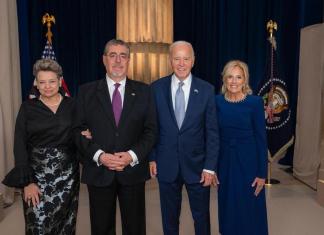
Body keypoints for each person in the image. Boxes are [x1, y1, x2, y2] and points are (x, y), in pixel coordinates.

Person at [74, 39, 157, 235]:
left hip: (132, 172)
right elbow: (77, 130)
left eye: (123, 56)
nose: (118, 61)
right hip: (99, 171)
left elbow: (151, 131)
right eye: (113, 55)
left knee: (135, 228)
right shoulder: (86, 92)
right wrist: (100, 156)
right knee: (101, 228)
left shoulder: (145, 91)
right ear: (104, 60)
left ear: (129, 60)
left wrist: (131, 155)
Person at [2, 59, 91, 234]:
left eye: (52, 81)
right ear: (36, 83)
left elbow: (82, 130)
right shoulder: (27, 108)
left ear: (60, 81)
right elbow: (19, 145)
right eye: (42, 82)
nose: (47, 86)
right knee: (38, 226)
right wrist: (28, 182)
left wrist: (88, 134)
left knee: (66, 226)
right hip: (36, 178)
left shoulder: (73, 105)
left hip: (68, 177)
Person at [149, 41, 219, 235]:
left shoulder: (206, 90)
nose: (181, 63)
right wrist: (152, 157)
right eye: (177, 58)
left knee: (201, 218)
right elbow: (151, 128)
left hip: (198, 167)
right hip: (166, 164)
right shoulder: (156, 89)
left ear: (193, 61)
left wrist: (210, 167)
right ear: (170, 60)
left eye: (186, 58)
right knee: (169, 219)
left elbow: (212, 132)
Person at [215, 60, 268, 235]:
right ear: (224, 79)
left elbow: (261, 140)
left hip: (249, 164)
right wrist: (212, 168)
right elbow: (213, 137)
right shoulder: (217, 102)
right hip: (225, 164)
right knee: (228, 206)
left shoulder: (255, 102)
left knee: (250, 208)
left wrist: (262, 173)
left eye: (239, 77)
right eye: (230, 76)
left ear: (245, 80)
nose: (234, 81)